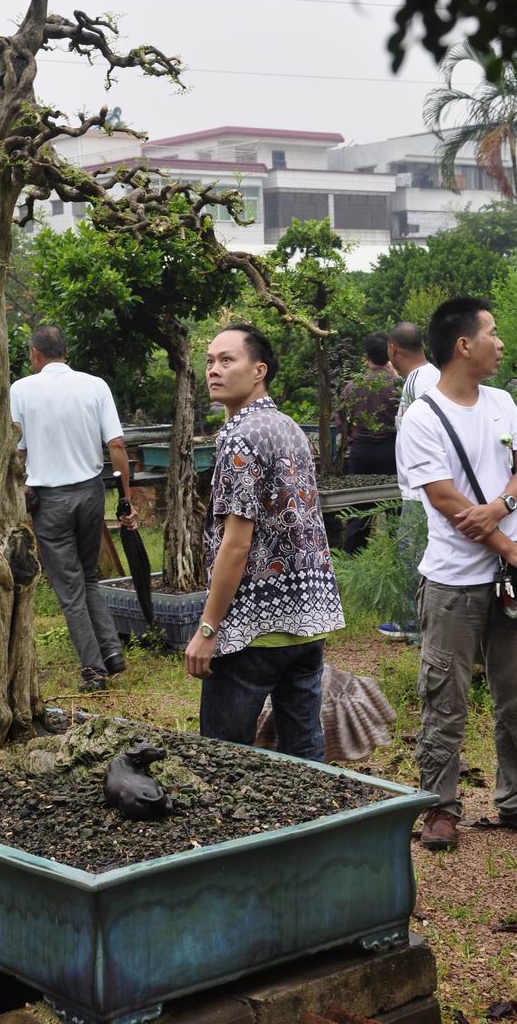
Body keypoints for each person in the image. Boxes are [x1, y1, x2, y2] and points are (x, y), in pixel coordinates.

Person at [398, 297, 517, 851]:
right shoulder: (422, 417)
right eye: (492, 331)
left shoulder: (501, 402)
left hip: (509, 583)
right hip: (452, 582)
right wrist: (509, 545)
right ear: (463, 344)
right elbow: (446, 501)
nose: (500, 342)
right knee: (444, 696)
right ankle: (439, 806)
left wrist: (499, 505)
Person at [185, 323, 345, 761]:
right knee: (305, 752)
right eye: (210, 361)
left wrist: (207, 629)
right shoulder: (288, 426)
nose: (213, 370)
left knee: (227, 758)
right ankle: (316, 827)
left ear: (259, 370)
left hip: (254, 628)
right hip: (306, 620)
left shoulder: (241, 438)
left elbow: (236, 545)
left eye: (226, 360)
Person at [10, 324, 138, 693]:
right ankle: (112, 653)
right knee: (89, 577)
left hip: (50, 500)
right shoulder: (95, 386)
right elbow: (116, 446)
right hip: (91, 493)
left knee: (70, 589)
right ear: (65, 351)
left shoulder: (21, 389)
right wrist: (125, 499)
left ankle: (93, 668)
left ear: (35, 354)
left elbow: (18, 450)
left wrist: (17, 490)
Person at [380, 321, 442, 641]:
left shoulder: (418, 382)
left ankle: (413, 625)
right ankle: (414, 623)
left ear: (393, 350)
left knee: (414, 555)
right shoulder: (427, 376)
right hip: (421, 487)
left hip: (420, 490)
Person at [339, 331, 402, 554]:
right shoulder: (398, 386)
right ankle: (399, 559)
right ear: (390, 353)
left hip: (361, 452)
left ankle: (352, 561)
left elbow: (341, 422)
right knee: (395, 509)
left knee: (358, 511)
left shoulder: (353, 386)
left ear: (366, 356)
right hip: (391, 451)